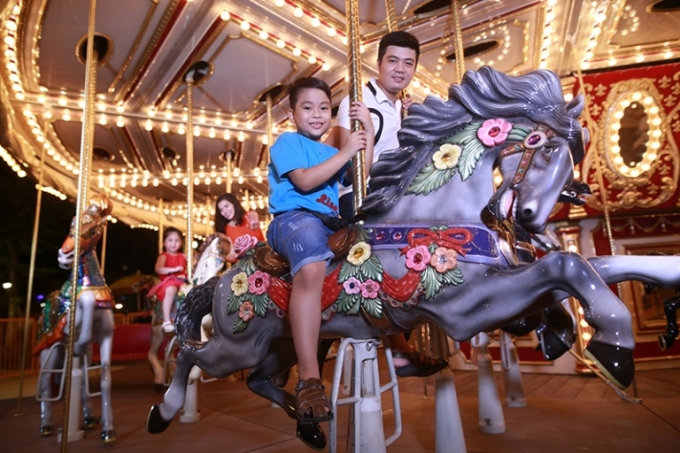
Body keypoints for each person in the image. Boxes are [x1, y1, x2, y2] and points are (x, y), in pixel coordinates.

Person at [326, 30, 447, 378]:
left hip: (395, 197)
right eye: (392, 61)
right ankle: (399, 348)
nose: (400, 69)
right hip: (362, 197)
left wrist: (416, 122)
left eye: (408, 63)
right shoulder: (360, 101)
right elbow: (350, 163)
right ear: (379, 63)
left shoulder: (402, 106)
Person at [267, 77, 373, 423]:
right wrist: (346, 150)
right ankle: (309, 377)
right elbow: (306, 181)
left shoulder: (330, 152)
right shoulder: (287, 142)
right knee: (312, 266)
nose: (317, 115)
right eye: (308, 107)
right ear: (292, 112)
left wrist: (367, 132)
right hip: (293, 220)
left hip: (328, 221)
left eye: (324, 108)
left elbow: (361, 175)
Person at [148, 227, 188, 333]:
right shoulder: (164, 256)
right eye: (170, 240)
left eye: (177, 240)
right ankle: (166, 320)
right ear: (164, 242)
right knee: (171, 290)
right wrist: (173, 269)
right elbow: (158, 269)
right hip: (168, 281)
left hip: (182, 282)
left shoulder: (183, 256)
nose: (173, 243)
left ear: (181, 243)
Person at [214, 193, 265, 262]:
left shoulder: (249, 216)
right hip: (249, 264)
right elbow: (234, 255)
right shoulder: (227, 229)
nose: (225, 211)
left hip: (264, 256)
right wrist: (219, 255)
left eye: (226, 206)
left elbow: (253, 215)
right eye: (221, 210)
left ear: (234, 204)